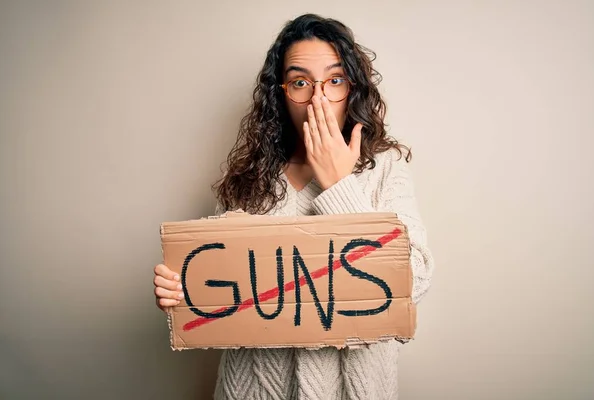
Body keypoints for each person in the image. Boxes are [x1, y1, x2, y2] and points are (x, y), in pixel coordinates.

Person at [153, 13, 434, 400]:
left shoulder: (386, 169)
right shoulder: (248, 181)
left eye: (334, 80)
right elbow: (225, 295)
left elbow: (412, 282)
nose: (317, 98)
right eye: (300, 82)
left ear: (352, 89)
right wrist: (183, 292)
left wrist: (339, 184)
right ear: (281, 93)